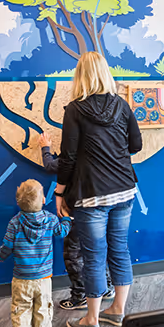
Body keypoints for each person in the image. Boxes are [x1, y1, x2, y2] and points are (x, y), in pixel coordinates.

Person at [54, 51, 143, 327]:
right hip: (124, 190)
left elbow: (67, 158)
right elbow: (136, 145)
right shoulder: (122, 105)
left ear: (79, 76)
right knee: (119, 250)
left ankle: (91, 320)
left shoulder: (75, 110)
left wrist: (59, 191)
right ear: (106, 73)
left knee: (94, 257)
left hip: (90, 194)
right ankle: (117, 310)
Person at [38, 131, 115, 310]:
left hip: (76, 210)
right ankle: (106, 288)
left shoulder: (72, 155)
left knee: (73, 254)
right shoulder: (103, 152)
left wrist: (45, 147)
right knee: (98, 249)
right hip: (100, 208)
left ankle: (79, 296)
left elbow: (50, 166)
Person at [0, 179, 72, 327]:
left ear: (18, 202)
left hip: (21, 277)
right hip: (44, 278)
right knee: (43, 309)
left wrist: (1, 257)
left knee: (21, 309)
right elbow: (62, 232)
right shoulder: (51, 219)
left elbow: (6, 246)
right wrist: (67, 218)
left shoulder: (15, 222)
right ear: (44, 200)